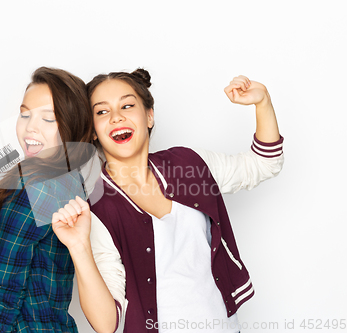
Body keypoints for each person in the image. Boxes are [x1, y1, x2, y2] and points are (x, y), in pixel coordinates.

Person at [51, 69, 284, 333]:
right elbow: (107, 324)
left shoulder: (189, 165)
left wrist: (262, 101)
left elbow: (265, 164)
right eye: (102, 112)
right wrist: (78, 246)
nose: (116, 117)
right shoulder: (97, 208)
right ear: (93, 131)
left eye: (127, 105)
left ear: (149, 116)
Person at [0, 67, 95, 332]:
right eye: (25, 114)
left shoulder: (45, 187)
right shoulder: (34, 183)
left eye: (48, 118)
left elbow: (1, 303)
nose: (30, 127)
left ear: (72, 125)